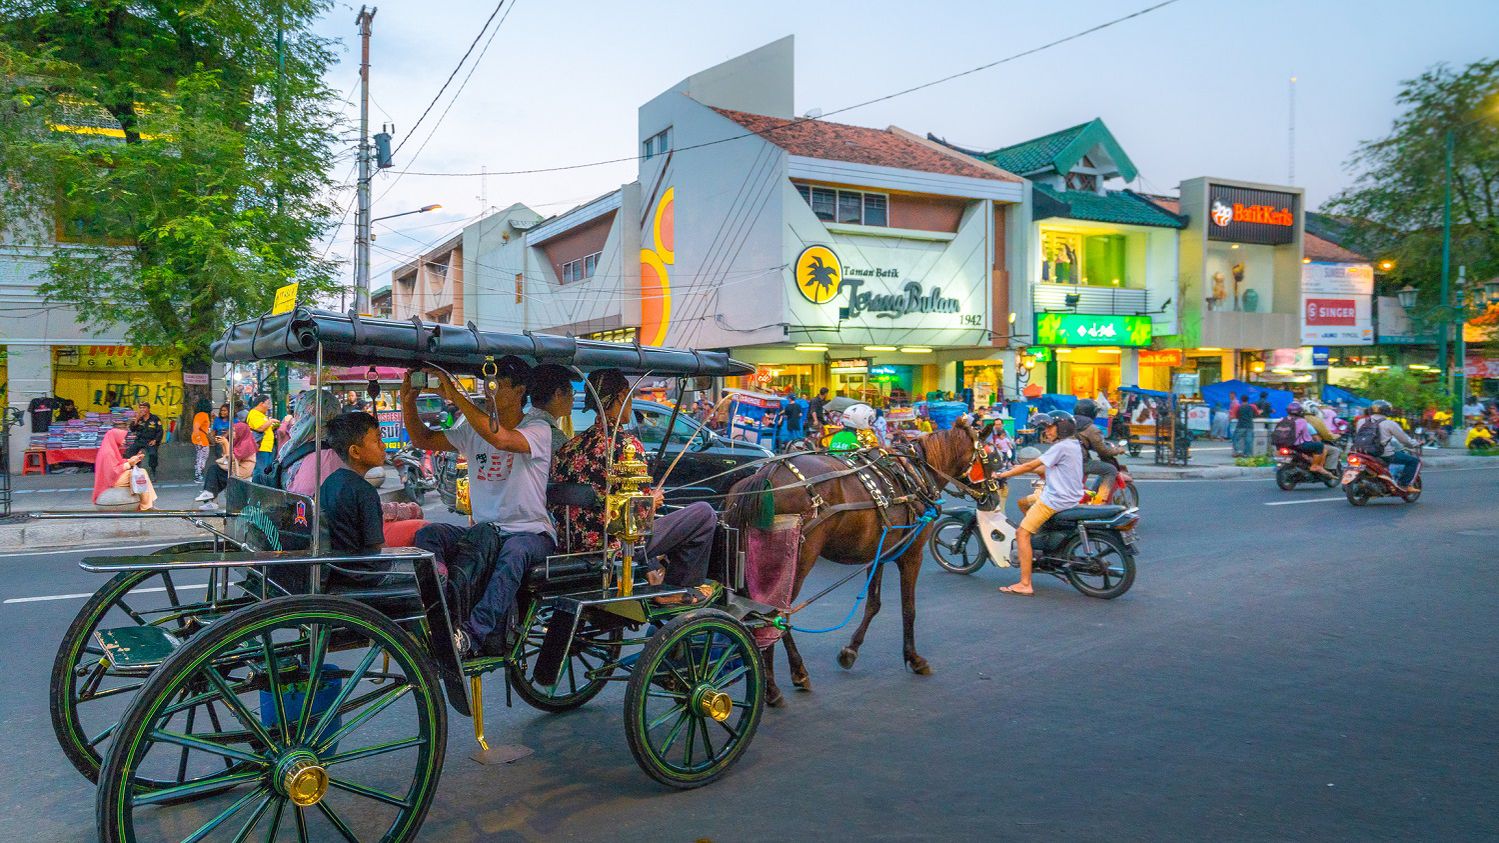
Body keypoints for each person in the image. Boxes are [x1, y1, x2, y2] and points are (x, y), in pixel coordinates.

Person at [401, 358, 554, 658]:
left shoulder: (537, 428)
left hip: (530, 534)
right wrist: (408, 401)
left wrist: (458, 396)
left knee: (514, 554)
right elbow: (422, 438)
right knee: (428, 536)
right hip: (485, 532)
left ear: (521, 390)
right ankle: (441, 616)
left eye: (498, 384)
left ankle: (471, 635)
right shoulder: (472, 428)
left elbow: (501, 438)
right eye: (487, 382)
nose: (489, 389)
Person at [552, 368, 718, 606]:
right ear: (621, 397)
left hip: (574, 546)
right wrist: (652, 501)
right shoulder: (627, 445)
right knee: (704, 513)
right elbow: (637, 518)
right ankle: (677, 589)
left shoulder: (569, 448)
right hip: (618, 547)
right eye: (629, 396)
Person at [993, 412, 1085, 596]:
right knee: (1024, 504)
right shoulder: (1073, 445)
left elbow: (1030, 465)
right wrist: (1014, 469)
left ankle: (1025, 584)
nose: (1046, 432)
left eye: (1049, 427)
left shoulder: (1060, 447)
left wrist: (1001, 475)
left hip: (1055, 500)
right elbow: (1043, 467)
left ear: (1062, 428)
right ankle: (1040, 542)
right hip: (1070, 498)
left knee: (1022, 533)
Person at [316, 412, 394, 586]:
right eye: (377, 440)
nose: (383, 446)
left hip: (338, 570)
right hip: (361, 575)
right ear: (355, 451)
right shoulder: (364, 491)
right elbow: (377, 546)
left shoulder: (330, 481)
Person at [1073, 399, 1126, 502]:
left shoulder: (1069, 423)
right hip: (1080, 462)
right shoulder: (1091, 428)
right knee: (1111, 470)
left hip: (1065, 459)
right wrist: (1118, 450)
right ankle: (1100, 501)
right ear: (1092, 413)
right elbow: (1103, 451)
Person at [197, 421, 260, 508]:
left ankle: (210, 496)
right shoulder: (239, 441)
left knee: (216, 472)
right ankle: (209, 497)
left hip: (240, 472)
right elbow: (227, 458)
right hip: (235, 468)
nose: (232, 433)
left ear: (241, 432)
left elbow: (231, 458)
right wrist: (224, 444)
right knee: (215, 470)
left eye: (234, 431)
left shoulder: (246, 443)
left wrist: (226, 443)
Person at [93, 428, 157, 511]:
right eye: (122, 438)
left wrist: (134, 459)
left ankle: (149, 502)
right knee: (141, 473)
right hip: (113, 480)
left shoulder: (109, 449)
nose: (124, 440)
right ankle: (146, 505)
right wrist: (129, 463)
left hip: (115, 477)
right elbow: (114, 471)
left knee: (141, 472)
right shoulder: (108, 452)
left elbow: (118, 463)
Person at [1364, 400, 1421, 490]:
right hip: (1383, 454)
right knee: (1414, 461)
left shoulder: (1361, 421)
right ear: (1387, 411)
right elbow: (1404, 440)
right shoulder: (1389, 423)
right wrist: (1415, 443)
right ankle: (1405, 485)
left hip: (1362, 452)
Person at [529, 363, 577, 452]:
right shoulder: (553, 438)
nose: (573, 398)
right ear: (558, 394)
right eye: (571, 392)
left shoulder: (524, 423)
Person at [1286, 402, 1334, 478]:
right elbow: (1313, 437)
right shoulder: (1303, 422)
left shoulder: (1283, 420)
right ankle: (1315, 466)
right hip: (1299, 445)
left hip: (1284, 445)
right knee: (1319, 445)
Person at [124, 402, 164, 474]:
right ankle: (133, 469)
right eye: (141, 408)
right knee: (129, 453)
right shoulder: (139, 418)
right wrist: (137, 419)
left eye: (144, 408)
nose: (142, 410)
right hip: (139, 440)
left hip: (150, 441)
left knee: (153, 454)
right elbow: (132, 429)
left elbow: (160, 431)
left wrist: (155, 440)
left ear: (148, 409)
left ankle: (153, 470)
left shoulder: (155, 418)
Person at [245, 394, 279, 476]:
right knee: (261, 471)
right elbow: (260, 428)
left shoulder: (262, 415)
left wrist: (274, 425)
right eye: (267, 403)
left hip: (268, 447)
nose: (268, 406)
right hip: (261, 447)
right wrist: (271, 421)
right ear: (261, 404)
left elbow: (266, 427)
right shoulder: (254, 414)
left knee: (267, 470)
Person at [190, 399, 213, 483]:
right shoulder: (202, 415)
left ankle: (198, 475)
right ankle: (198, 475)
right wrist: (199, 439)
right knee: (202, 457)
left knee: (200, 457)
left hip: (199, 438)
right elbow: (196, 427)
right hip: (201, 439)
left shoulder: (200, 414)